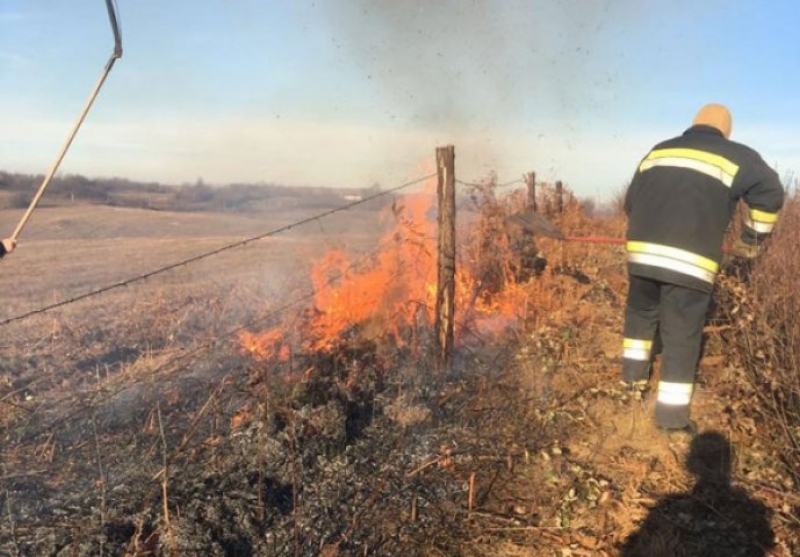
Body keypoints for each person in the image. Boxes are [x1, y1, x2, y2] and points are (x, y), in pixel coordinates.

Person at [622, 103, 784, 431]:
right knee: (681, 334)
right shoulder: (738, 156)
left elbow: (630, 202)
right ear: (727, 130)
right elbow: (771, 195)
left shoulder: (659, 151)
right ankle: (670, 420)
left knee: (640, 320)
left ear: (693, 124)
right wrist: (750, 243)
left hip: (640, 255)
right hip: (690, 262)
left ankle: (631, 386)